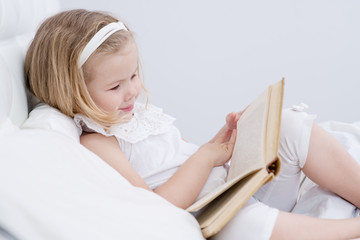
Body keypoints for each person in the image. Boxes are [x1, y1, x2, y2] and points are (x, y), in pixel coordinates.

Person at [24, 9, 360, 240]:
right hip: (208, 214)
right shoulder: (98, 142)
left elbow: (182, 157)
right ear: (71, 91)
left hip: (230, 188)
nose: (132, 91)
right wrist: (208, 157)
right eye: (115, 87)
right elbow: (153, 208)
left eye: (134, 75)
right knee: (241, 224)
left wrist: (225, 144)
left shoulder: (135, 116)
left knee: (288, 124)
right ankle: (350, 231)